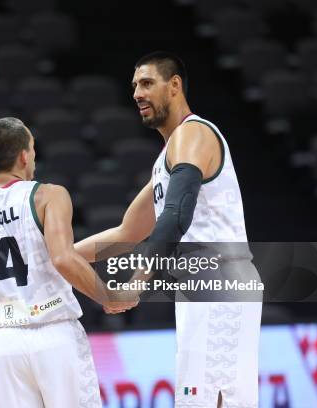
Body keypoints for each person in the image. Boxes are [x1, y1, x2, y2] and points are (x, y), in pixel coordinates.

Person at [75, 51, 262, 408]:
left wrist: (137, 282)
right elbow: (125, 233)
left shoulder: (193, 133)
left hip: (220, 277)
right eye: (133, 87)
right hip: (201, 283)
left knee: (215, 400)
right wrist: (58, 256)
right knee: (200, 400)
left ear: (174, 85)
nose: (136, 94)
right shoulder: (167, 158)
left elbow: (176, 215)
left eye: (146, 83)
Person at [0, 117, 136, 408]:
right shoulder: (48, 195)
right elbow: (63, 258)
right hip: (53, 333)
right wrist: (107, 296)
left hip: (1, 342)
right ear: (24, 155)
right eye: (32, 149)